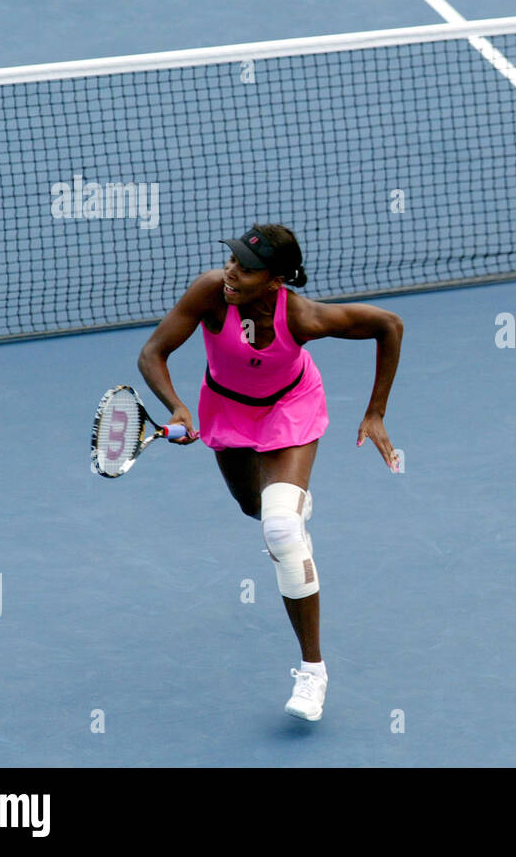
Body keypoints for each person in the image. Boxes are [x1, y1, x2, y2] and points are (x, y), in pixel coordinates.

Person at [137, 224, 403, 719]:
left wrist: (376, 412)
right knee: (253, 507)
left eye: (247, 268)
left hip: (290, 410)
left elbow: (389, 324)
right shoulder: (211, 292)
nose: (231, 272)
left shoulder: (301, 316)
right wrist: (176, 407)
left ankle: (313, 672)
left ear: (276, 281)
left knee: (280, 530)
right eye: (232, 260)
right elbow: (152, 353)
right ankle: (290, 500)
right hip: (226, 410)